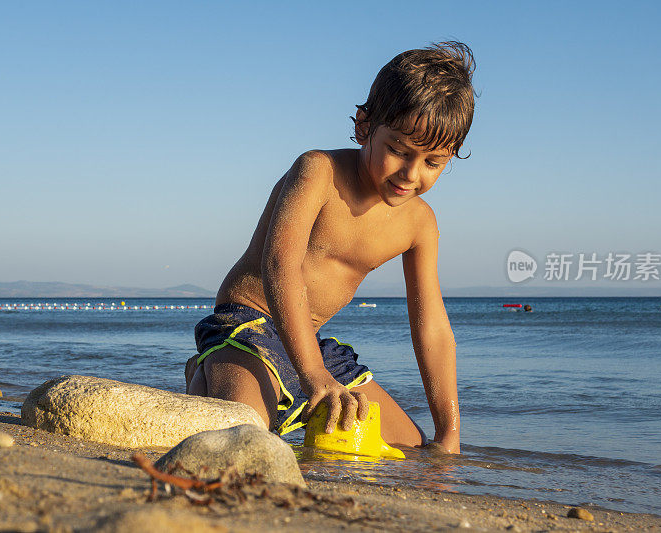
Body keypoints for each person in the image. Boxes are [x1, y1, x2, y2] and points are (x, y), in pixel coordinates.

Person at [185, 42, 476, 454]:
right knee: (243, 434)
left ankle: (282, 383)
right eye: (398, 150)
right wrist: (312, 374)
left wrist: (449, 433)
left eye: (433, 162)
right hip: (248, 325)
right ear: (364, 126)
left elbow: (431, 327)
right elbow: (279, 264)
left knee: (413, 450)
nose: (411, 174)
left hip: (312, 344)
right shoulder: (318, 171)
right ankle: (209, 369)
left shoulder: (420, 224)